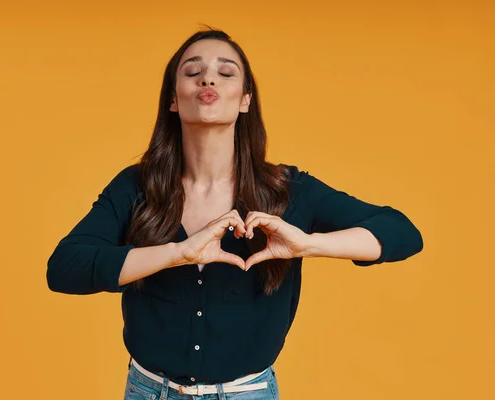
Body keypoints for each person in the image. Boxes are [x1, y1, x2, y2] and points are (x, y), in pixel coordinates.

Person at [46, 28, 424, 400]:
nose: (207, 77)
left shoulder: (289, 190)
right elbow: (65, 267)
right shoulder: (136, 187)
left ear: (245, 100)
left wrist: (309, 244)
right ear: (173, 100)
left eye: (225, 72)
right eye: (192, 72)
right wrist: (177, 253)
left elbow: (402, 231)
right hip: (148, 392)